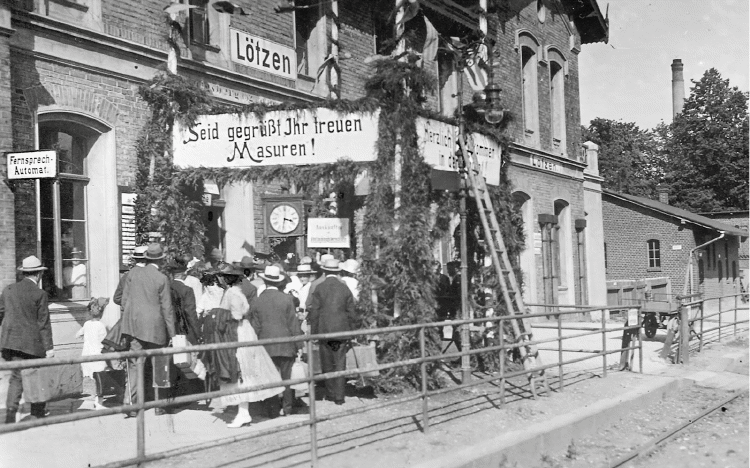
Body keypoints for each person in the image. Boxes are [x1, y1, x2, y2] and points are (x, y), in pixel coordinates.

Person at [216, 264, 283, 428]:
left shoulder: (232, 294)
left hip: (237, 332)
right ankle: (243, 412)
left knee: (240, 371)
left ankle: (243, 412)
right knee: (242, 373)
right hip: (241, 330)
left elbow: (236, 315)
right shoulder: (236, 292)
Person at [120, 243, 176, 417]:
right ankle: (159, 406)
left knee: (135, 367)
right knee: (159, 365)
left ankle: (130, 406)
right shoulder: (162, 278)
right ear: (161, 259)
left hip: (134, 327)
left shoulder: (132, 275)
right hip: (155, 328)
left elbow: (123, 302)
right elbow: (167, 308)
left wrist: (126, 323)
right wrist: (172, 334)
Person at [0, 256, 55, 423]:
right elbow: (43, 323)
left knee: (16, 377)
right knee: (35, 376)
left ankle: (10, 414)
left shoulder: (8, 290)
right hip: (33, 344)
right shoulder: (40, 294)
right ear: (38, 274)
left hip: (11, 343)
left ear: (24, 273)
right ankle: (37, 413)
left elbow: (1, 312)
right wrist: (49, 347)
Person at [249, 265, 303, 418]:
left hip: (266, 345)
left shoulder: (257, 301)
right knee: (286, 378)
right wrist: (299, 344)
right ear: (279, 282)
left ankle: (272, 410)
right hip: (286, 344)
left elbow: (256, 327)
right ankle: (287, 408)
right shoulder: (286, 299)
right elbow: (293, 323)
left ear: (265, 281)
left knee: (269, 378)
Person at [307, 259, 356, 405]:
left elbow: (314, 312)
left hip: (324, 331)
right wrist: (352, 332)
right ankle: (339, 396)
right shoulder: (344, 288)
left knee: (327, 362)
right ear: (337, 272)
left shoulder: (319, 288)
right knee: (340, 361)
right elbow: (351, 312)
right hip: (340, 331)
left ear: (324, 271)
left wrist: (314, 332)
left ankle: (329, 393)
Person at [76, 297, 109, 409]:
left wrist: (85, 336)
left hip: (87, 353)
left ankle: (95, 398)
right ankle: (98, 401)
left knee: (93, 377)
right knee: (100, 377)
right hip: (97, 354)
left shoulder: (87, 324)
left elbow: (78, 334)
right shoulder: (101, 325)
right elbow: (105, 340)